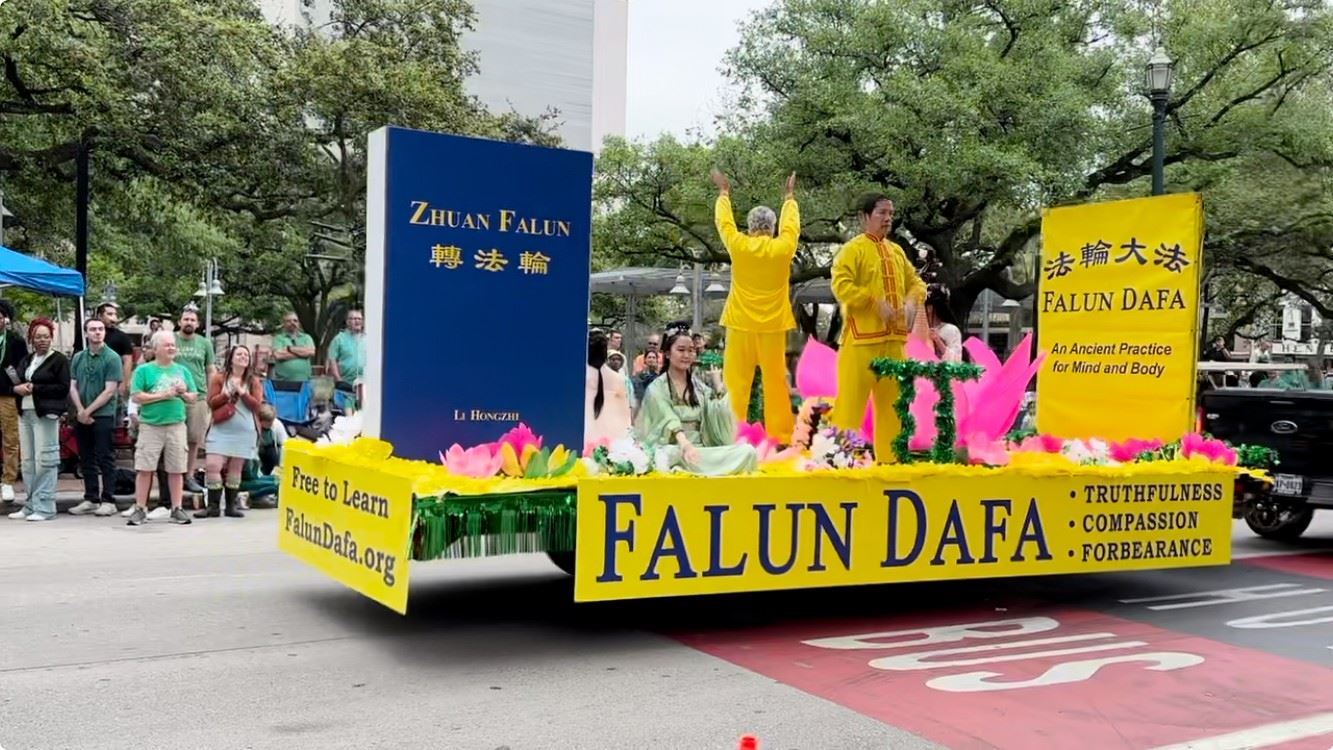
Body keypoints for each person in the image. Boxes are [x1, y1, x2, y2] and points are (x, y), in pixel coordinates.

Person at [830, 193, 928, 463]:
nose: (888, 219)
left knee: (895, 409)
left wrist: (910, 302)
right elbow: (841, 285)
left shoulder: (897, 251)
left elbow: (917, 284)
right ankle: (838, 465)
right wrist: (873, 302)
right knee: (849, 408)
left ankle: (891, 465)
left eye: (891, 214)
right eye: (882, 213)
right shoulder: (852, 250)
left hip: (894, 343)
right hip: (860, 343)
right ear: (864, 217)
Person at [711, 168, 799, 442]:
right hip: (773, 327)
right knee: (775, 383)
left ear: (749, 227)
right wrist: (789, 199)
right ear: (771, 228)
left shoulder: (739, 245)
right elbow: (792, 227)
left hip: (740, 323)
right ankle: (782, 437)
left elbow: (724, 224)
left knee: (736, 385)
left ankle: (731, 436)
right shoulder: (783, 247)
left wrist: (724, 194)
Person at [634, 323, 757, 476]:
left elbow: (718, 418)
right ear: (667, 353)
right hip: (675, 448)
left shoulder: (699, 387)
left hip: (701, 450)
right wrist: (685, 444)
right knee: (670, 456)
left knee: (748, 452)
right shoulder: (657, 387)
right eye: (681, 350)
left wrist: (718, 387)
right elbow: (667, 418)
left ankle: (703, 469)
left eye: (691, 351)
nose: (686, 355)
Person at [127, 330, 197, 526]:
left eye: (173, 344)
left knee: (176, 468)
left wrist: (184, 393)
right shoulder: (143, 371)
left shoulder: (182, 371)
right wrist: (163, 395)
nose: (172, 348)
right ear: (156, 348)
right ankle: (140, 508)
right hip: (150, 425)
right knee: (144, 468)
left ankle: (177, 508)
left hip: (176, 424)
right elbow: (136, 396)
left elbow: (194, 397)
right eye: (167, 345)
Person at [7, 320, 69, 521]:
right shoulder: (27, 359)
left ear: (52, 337)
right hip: (25, 413)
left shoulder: (59, 360)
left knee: (46, 460)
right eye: (38, 337)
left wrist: (36, 388)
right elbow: (17, 381)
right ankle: (30, 503)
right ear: (31, 339)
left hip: (45, 414)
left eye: (46, 336)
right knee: (27, 461)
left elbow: (63, 388)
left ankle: (45, 506)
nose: (42, 340)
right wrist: (17, 389)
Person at [198, 345, 263, 519]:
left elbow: (257, 406)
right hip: (221, 429)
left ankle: (230, 506)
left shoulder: (253, 381)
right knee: (213, 465)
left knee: (235, 468)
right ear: (231, 358)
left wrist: (243, 393)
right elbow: (211, 403)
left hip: (244, 431)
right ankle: (212, 506)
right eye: (239, 354)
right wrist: (226, 394)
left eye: (246, 355)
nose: (243, 357)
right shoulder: (219, 378)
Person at [67, 317, 123, 516]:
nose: (97, 332)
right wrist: (80, 410)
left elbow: (110, 390)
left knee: (105, 457)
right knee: (86, 457)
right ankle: (91, 497)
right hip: (82, 414)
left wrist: (87, 411)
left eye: (100, 329)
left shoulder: (112, 358)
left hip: (104, 415)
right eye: (93, 329)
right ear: (86, 333)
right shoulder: (79, 357)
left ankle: (109, 499)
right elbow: (73, 385)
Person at [174, 307, 215, 494]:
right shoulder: (171, 339)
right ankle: (173, 476)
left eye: (192, 320)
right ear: (179, 322)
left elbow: (210, 370)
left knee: (193, 440)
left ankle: (188, 476)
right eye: (186, 319)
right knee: (173, 439)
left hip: (198, 397)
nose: (189, 322)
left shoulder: (205, 343)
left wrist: (211, 396)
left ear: (197, 324)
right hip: (172, 396)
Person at [0, 300, 29, 503]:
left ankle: (8, 481)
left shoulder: (16, 341)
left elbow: (22, 369)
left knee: (11, 441)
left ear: (5, 319)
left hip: (8, 396)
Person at [584, 330, 633, 446]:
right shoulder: (619, 380)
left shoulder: (579, 378)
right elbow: (626, 421)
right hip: (612, 444)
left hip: (587, 443)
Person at [240, 403, 286, 509]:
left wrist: (280, 468)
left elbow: (284, 445)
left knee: (281, 480)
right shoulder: (251, 433)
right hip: (247, 475)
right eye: (268, 422)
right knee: (278, 484)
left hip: (257, 470)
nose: (271, 424)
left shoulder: (276, 426)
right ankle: (247, 495)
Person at [270, 312, 316, 382]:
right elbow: (278, 355)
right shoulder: (278, 338)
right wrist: (303, 354)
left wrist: (290, 349)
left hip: (305, 381)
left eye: (295, 320)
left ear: (299, 324)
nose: (292, 323)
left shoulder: (307, 337)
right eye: (289, 321)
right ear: (284, 324)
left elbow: (311, 352)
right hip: (283, 381)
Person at [923, 287, 963, 362]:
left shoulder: (950, 330)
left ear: (930, 308)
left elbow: (956, 360)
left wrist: (938, 341)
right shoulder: (919, 330)